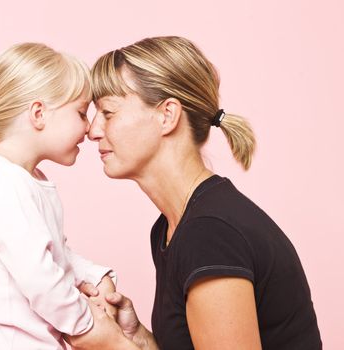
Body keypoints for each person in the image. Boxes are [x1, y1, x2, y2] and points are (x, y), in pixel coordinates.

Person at [69, 36, 322, 349]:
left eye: (108, 112)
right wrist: (138, 340)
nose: (93, 131)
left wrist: (113, 346)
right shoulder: (171, 228)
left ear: (167, 115)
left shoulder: (209, 234)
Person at [0, 42, 118, 350]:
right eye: (81, 113)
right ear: (38, 114)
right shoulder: (1, 186)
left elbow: (57, 255)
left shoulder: (25, 181)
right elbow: (41, 280)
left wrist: (97, 277)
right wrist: (91, 324)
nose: (89, 127)